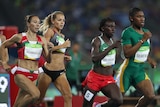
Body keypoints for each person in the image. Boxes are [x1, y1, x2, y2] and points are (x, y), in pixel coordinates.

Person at [0, 15, 49, 107]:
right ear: (28, 24)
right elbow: (3, 45)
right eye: (35, 22)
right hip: (21, 73)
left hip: (34, 74)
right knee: (36, 95)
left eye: (39, 23)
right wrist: (4, 62)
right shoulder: (19, 37)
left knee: (19, 102)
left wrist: (54, 50)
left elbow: (48, 59)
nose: (38, 25)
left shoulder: (42, 40)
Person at [116, 7, 157, 107]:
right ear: (131, 18)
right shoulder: (127, 32)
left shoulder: (146, 32)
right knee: (116, 100)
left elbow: (144, 50)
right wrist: (142, 40)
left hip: (139, 71)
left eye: (143, 16)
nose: (142, 19)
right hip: (127, 70)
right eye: (138, 16)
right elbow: (127, 54)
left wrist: (149, 59)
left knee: (150, 96)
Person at [82, 17, 123, 107]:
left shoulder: (112, 41)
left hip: (107, 79)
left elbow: (110, 60)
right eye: (109, 26)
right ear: (103, 28)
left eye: (114, 27)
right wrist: (111, 47)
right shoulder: (97, 41)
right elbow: (94, 58)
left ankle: (98, 106)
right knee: (86, 105)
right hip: (94, 79)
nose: (113, 29)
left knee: (118, 100)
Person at [37, 11, 72, 107]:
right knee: (39, 99)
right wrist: (63, 46)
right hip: (48, 71)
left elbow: (56, 53)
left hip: (60, 71)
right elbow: (44, 49)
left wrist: (64, 57)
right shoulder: (50, 32)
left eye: (63, 20)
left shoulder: (62, 36)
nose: (62, 23)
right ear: (53, 21)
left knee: (68, 96)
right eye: (59, 20)